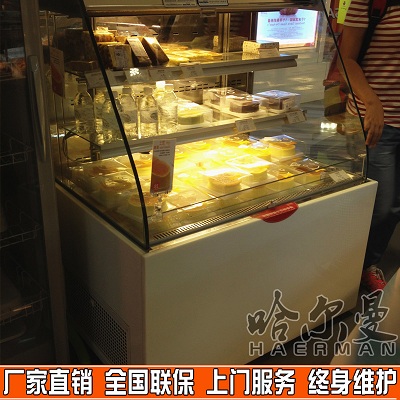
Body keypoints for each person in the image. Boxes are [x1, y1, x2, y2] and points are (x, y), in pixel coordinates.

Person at [339, 0, 400, 292]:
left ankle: (367, 263)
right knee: (380, 205)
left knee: (395, 204)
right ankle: (350, 267)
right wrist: (372, 102)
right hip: (377, 120)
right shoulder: (370, 2)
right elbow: (346, 59)